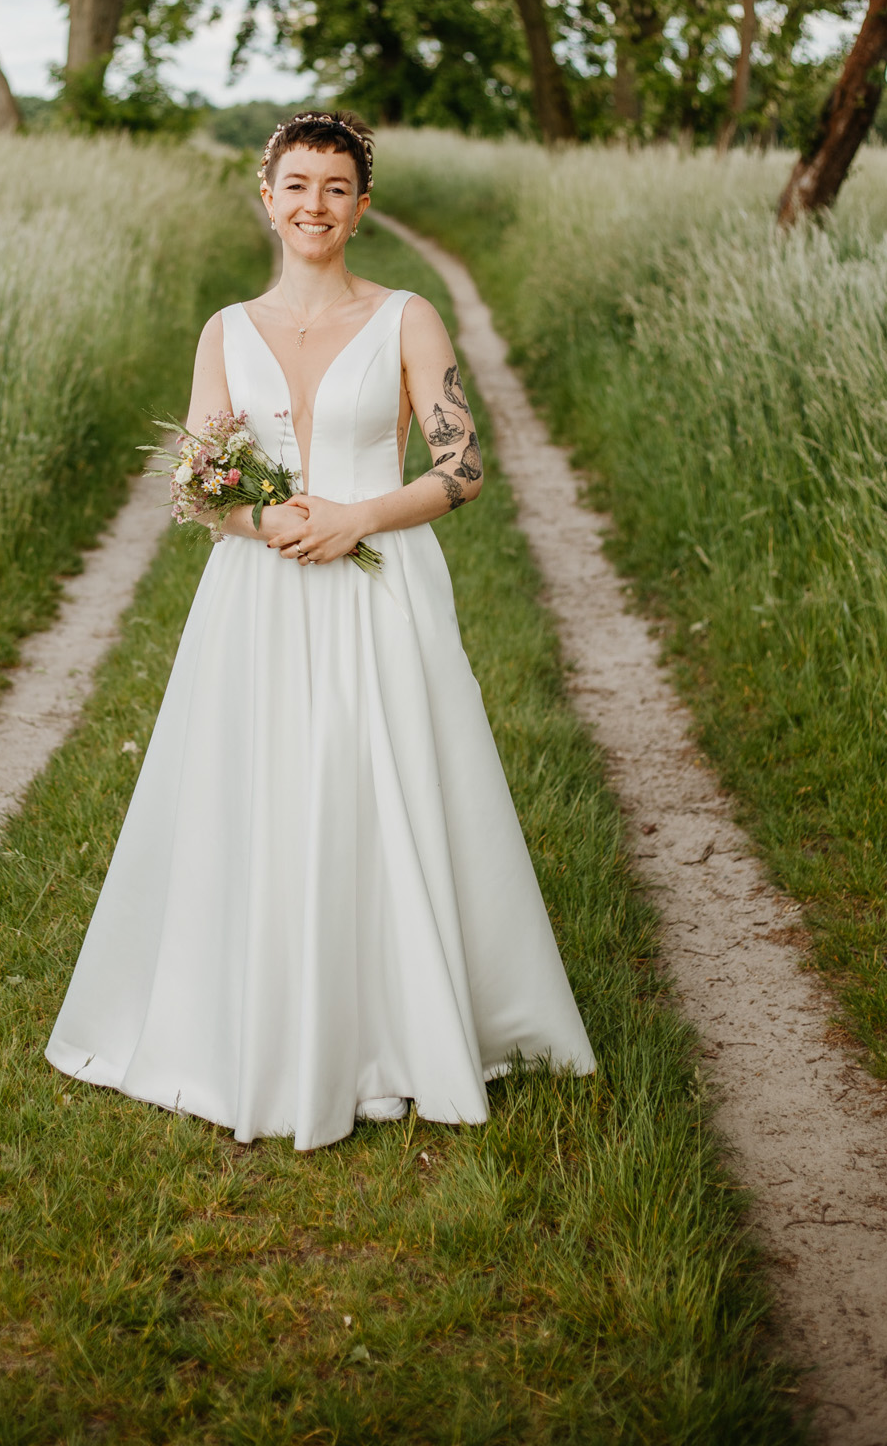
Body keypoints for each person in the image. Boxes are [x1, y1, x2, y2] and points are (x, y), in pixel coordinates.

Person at [46, 111, 594, 1149]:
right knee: (257, 787)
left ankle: (397, 1022)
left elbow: (462, 467)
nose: (315, 205)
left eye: (336, 188)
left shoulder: (406, 318)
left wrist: (357, 517)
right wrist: (266, 522)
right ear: (268, 199)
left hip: (379, 588)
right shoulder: (226, 329)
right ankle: (248, 1020)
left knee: (379, 783)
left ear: (361, 206)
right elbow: (197, 480)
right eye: (296, 185)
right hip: (256, 594)